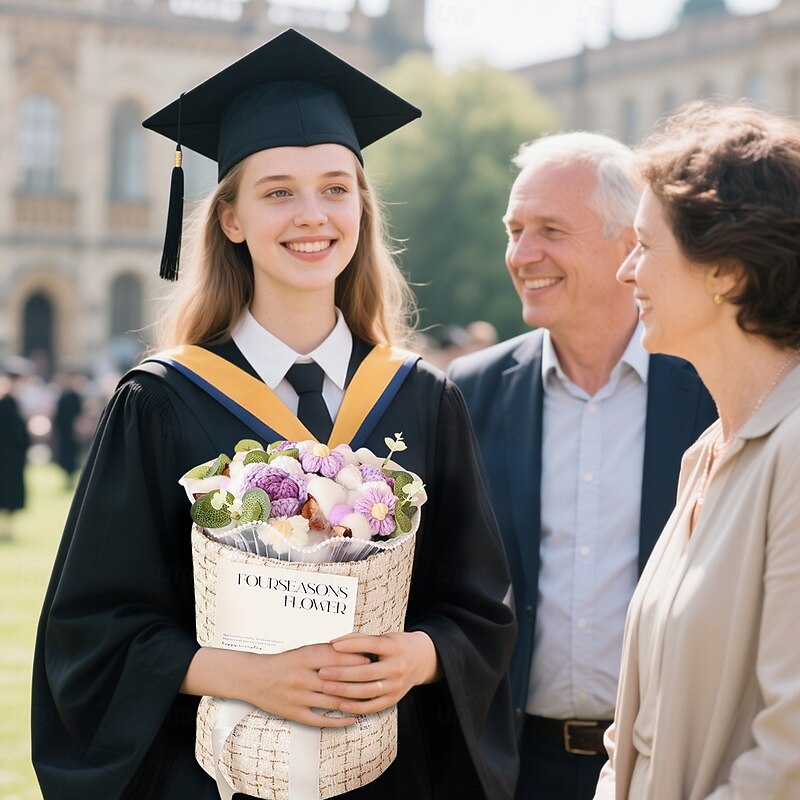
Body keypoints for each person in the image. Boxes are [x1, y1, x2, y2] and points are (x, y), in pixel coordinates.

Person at [31, 30, 517, 800]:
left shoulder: (422, 398)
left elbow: (478, 608)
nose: (312, 215)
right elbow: (92, 632)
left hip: (389, 778)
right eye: (278, 191)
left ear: (360, 205)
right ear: (230, 218)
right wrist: (245, 676)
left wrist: (420, 656)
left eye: (334, 187)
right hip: (213, 778)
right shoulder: (160, 402)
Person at [448, 132, 716, 800]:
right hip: (510, 768)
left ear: (630, 244)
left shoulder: (712, 390)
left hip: (666, 767)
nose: (521, 255)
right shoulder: (468, 392)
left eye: (549, 230)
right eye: (514, 230)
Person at [595, 103, 800, 799]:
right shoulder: (706, 453)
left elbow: (788, 759)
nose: (626, 272)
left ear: (729, 274)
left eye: (646, 246)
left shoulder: (795, 453)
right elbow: (634, 734)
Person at [0, 359, 31, 541]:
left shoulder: (14, 403)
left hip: (13, 457)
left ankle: (7, 529)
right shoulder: (6, 404)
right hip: (5, 457)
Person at [52, 367, 86, 489]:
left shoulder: (76, 396)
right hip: (64, 431)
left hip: (73, 431)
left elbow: (80, 414)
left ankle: (71, 478)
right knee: (65, 455)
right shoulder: (63, 396)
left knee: (73, 455)